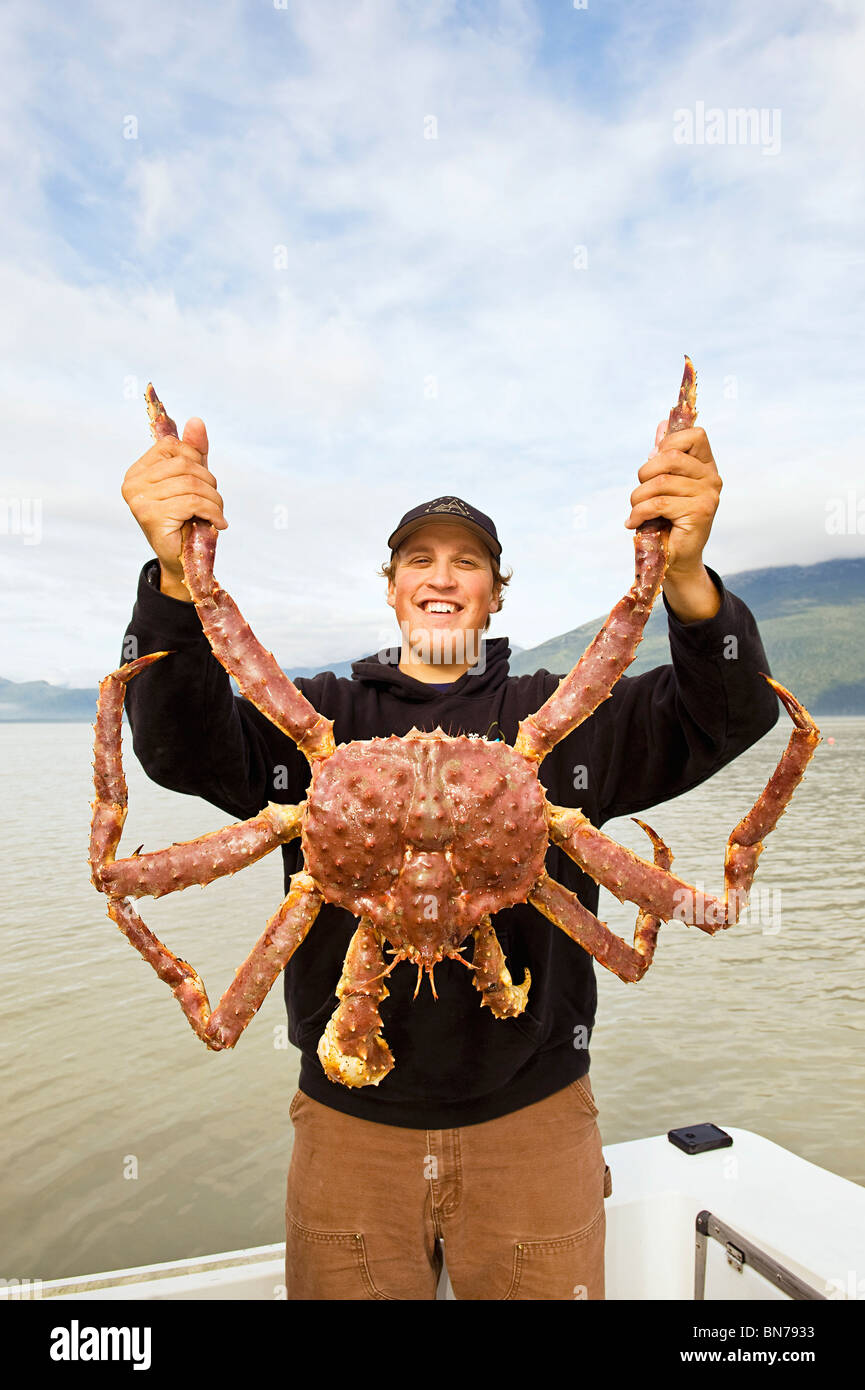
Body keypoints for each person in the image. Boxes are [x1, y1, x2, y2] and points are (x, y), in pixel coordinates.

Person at [119, 410, 779, 1300]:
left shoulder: (563, 722)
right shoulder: (318, 720)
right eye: (419, 561)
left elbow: (727, 716)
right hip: (348, 1130)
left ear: (496, 590)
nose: (441, 578)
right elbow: (176, 744)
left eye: (466, 562)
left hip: (534, 1124)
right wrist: (172, 573)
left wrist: (685, 574)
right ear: (390, 586)